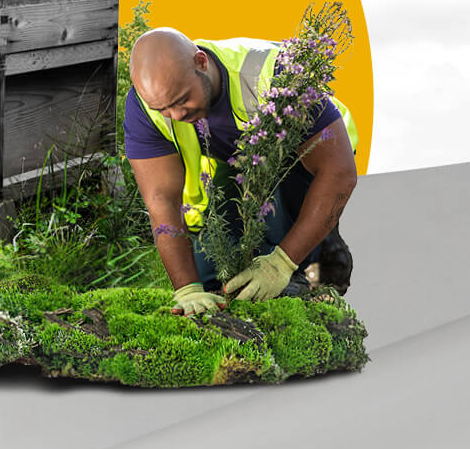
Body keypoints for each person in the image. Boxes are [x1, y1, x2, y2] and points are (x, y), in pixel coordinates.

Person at [125, 28, 358, 316]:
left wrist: (281, 263)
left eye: (182, 99)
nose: (176, 115)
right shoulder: (144, 107)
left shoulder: (275, 74)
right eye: (163, 108)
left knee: (279, 248)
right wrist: (187, 290)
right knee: (213, 278)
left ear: (201, 63)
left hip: (312, 156)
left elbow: (339, 173)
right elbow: (161, 199)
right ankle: (299, 248)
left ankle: (320, 260)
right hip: (239, 163)